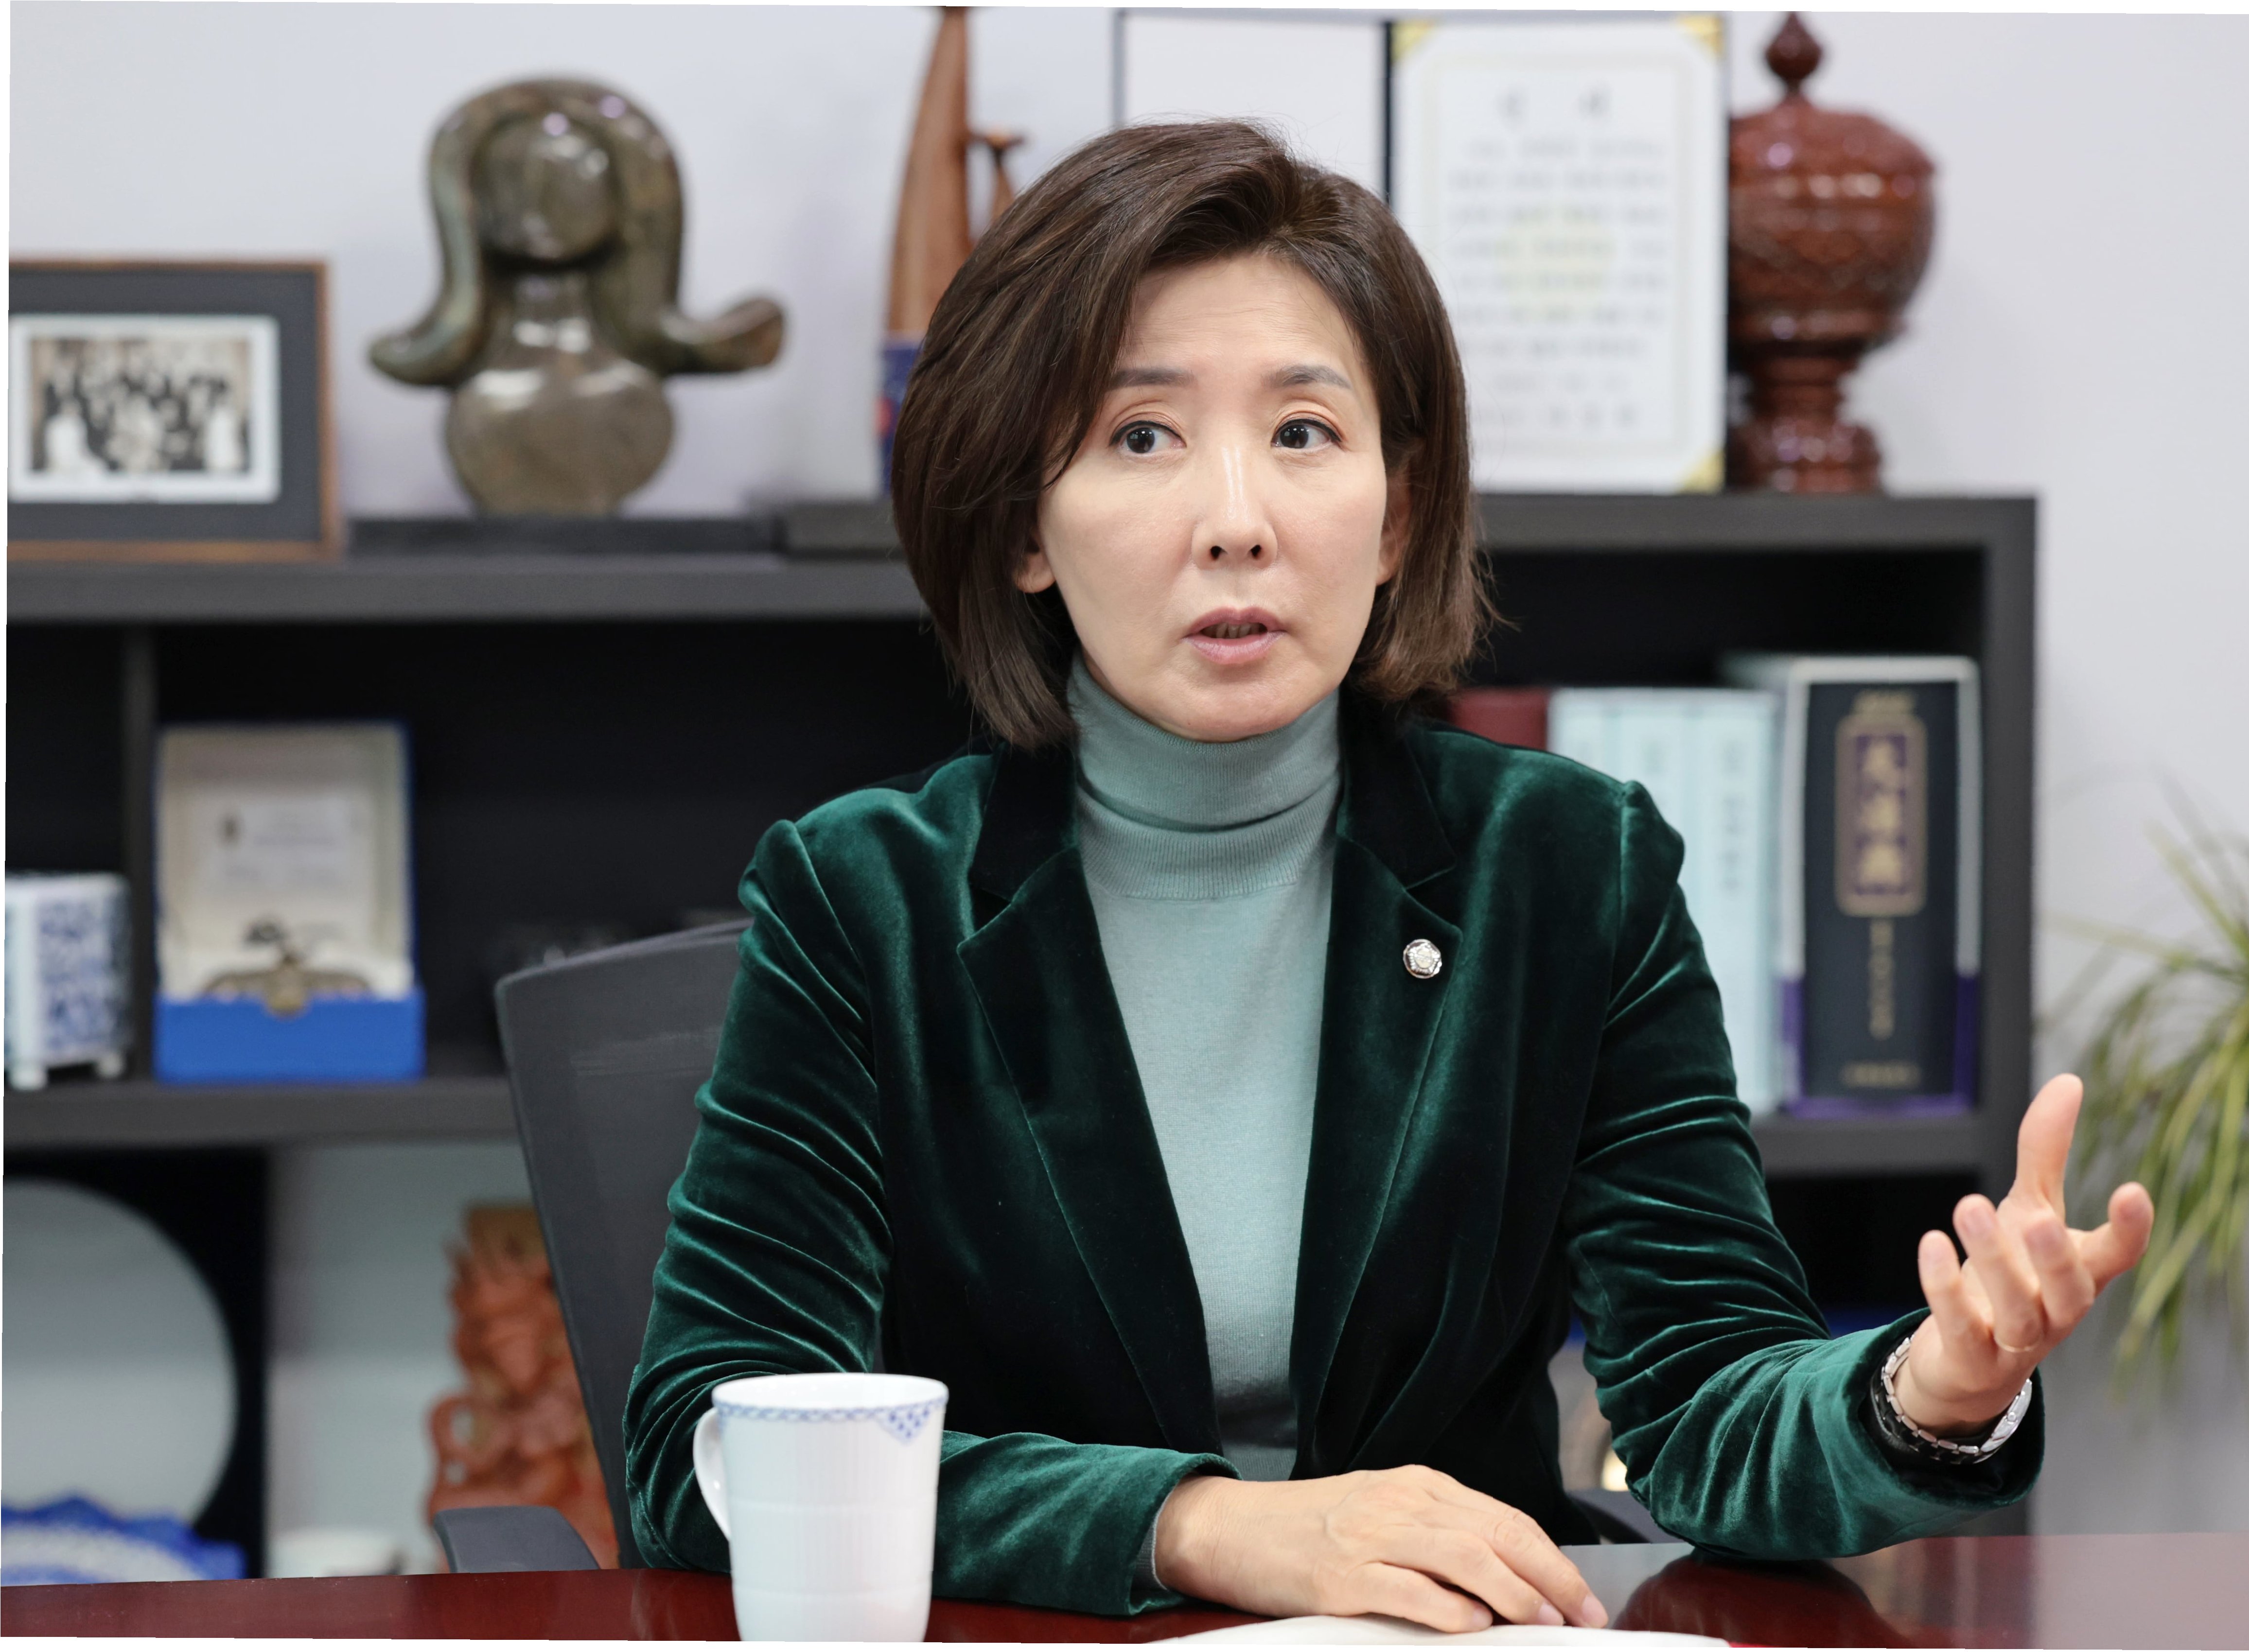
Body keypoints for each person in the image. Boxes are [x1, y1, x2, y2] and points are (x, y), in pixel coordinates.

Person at [626, 121, 2155, 1630]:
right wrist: (1194, 1527)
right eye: (1140, 436)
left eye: (1302, 433)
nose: (1236, 524)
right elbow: (709, 1449)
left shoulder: (1565, 867)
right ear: (1023, 521)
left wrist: (1928, 1391)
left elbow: (1704, 1402)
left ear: (1394, 513)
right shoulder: (866, 900)